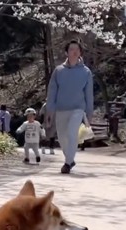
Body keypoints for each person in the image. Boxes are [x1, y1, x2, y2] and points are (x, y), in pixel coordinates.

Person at [46, 40, 94, 174]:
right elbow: (52, 91)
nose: (74, 52)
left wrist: (89, 112)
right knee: (62, 137)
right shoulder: (59, 71)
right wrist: (50, 109)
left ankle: (67, 164)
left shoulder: (86, 72)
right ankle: (70, 159)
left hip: (78, 108)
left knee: (72, 133)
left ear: (80, 53)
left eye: (77, 49)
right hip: (61, 108)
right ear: (66, 52)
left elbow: (89, 94)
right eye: (71, 49)